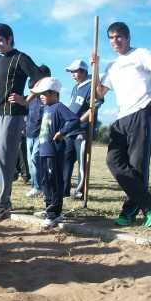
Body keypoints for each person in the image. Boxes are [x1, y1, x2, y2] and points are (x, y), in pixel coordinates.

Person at [91, 22, 151, 228]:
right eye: (111, 38)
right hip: (121, 118)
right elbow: (97, 94)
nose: (115, 41)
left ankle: (129, 212)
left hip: (141, 111)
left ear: (128, 37)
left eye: (119, 36)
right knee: (113, 160)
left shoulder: (141, 54)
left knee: (137, 166)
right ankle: (150, 202)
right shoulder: (112, 66)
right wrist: (95, 67)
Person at [0, 23, 44, 222]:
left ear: (10, 39)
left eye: (0, 40)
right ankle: (5, 201)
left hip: (13, 114)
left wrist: (26, 100)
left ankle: (2, 203)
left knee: (5, 157)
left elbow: (42, 79)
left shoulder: (21, 58)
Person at [30, 77, 80, 229]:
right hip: (44, 151)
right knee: (46, 183)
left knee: (54, 183)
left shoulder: (58, 107)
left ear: (53, 93)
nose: (41, 97)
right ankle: (49, 208)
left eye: (43, 93)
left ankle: (55, 214)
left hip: (54, 152)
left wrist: (61, 132)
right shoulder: (46, 108)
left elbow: (74, 120)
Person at [63, 60, 103, 199]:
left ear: (84, 71)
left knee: (82, 162)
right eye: (71, 72)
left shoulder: (92, 85)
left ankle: (79, 191)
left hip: (82, 130)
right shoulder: (75, 88)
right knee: (66, 159)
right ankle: (63, 189)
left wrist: (79, 121)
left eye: (75, 71)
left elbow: (94, 107)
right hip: (70, 130)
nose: (73, 75)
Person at [24, 64, 51, 198]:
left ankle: (38, 187)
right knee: (30, 161)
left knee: (35, 158)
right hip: (29, 132)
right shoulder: (32, 95)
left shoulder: (49, 96)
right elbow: (26, 113)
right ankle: (35, 184)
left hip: (42, 134)